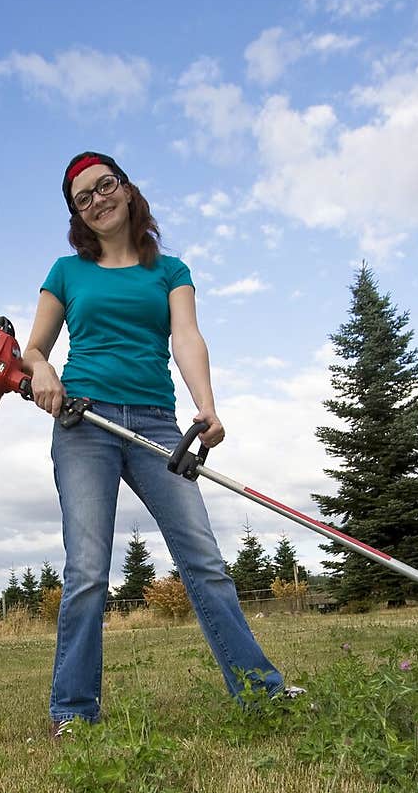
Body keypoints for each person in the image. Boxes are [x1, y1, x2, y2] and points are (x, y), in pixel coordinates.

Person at [22, 150, 300, 737]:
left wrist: (207, 406)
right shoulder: (67, 272)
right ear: (78, 214)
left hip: (155, 425)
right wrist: (42, 369)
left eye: (106, 186)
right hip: (85, 424)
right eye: (84, 198)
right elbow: (32, 351)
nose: (98, 200)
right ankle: (73, 712)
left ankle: (258, 692)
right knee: (88, 569)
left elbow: (188, 337)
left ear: (126, 189)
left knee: (204, 560)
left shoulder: (169, 270)